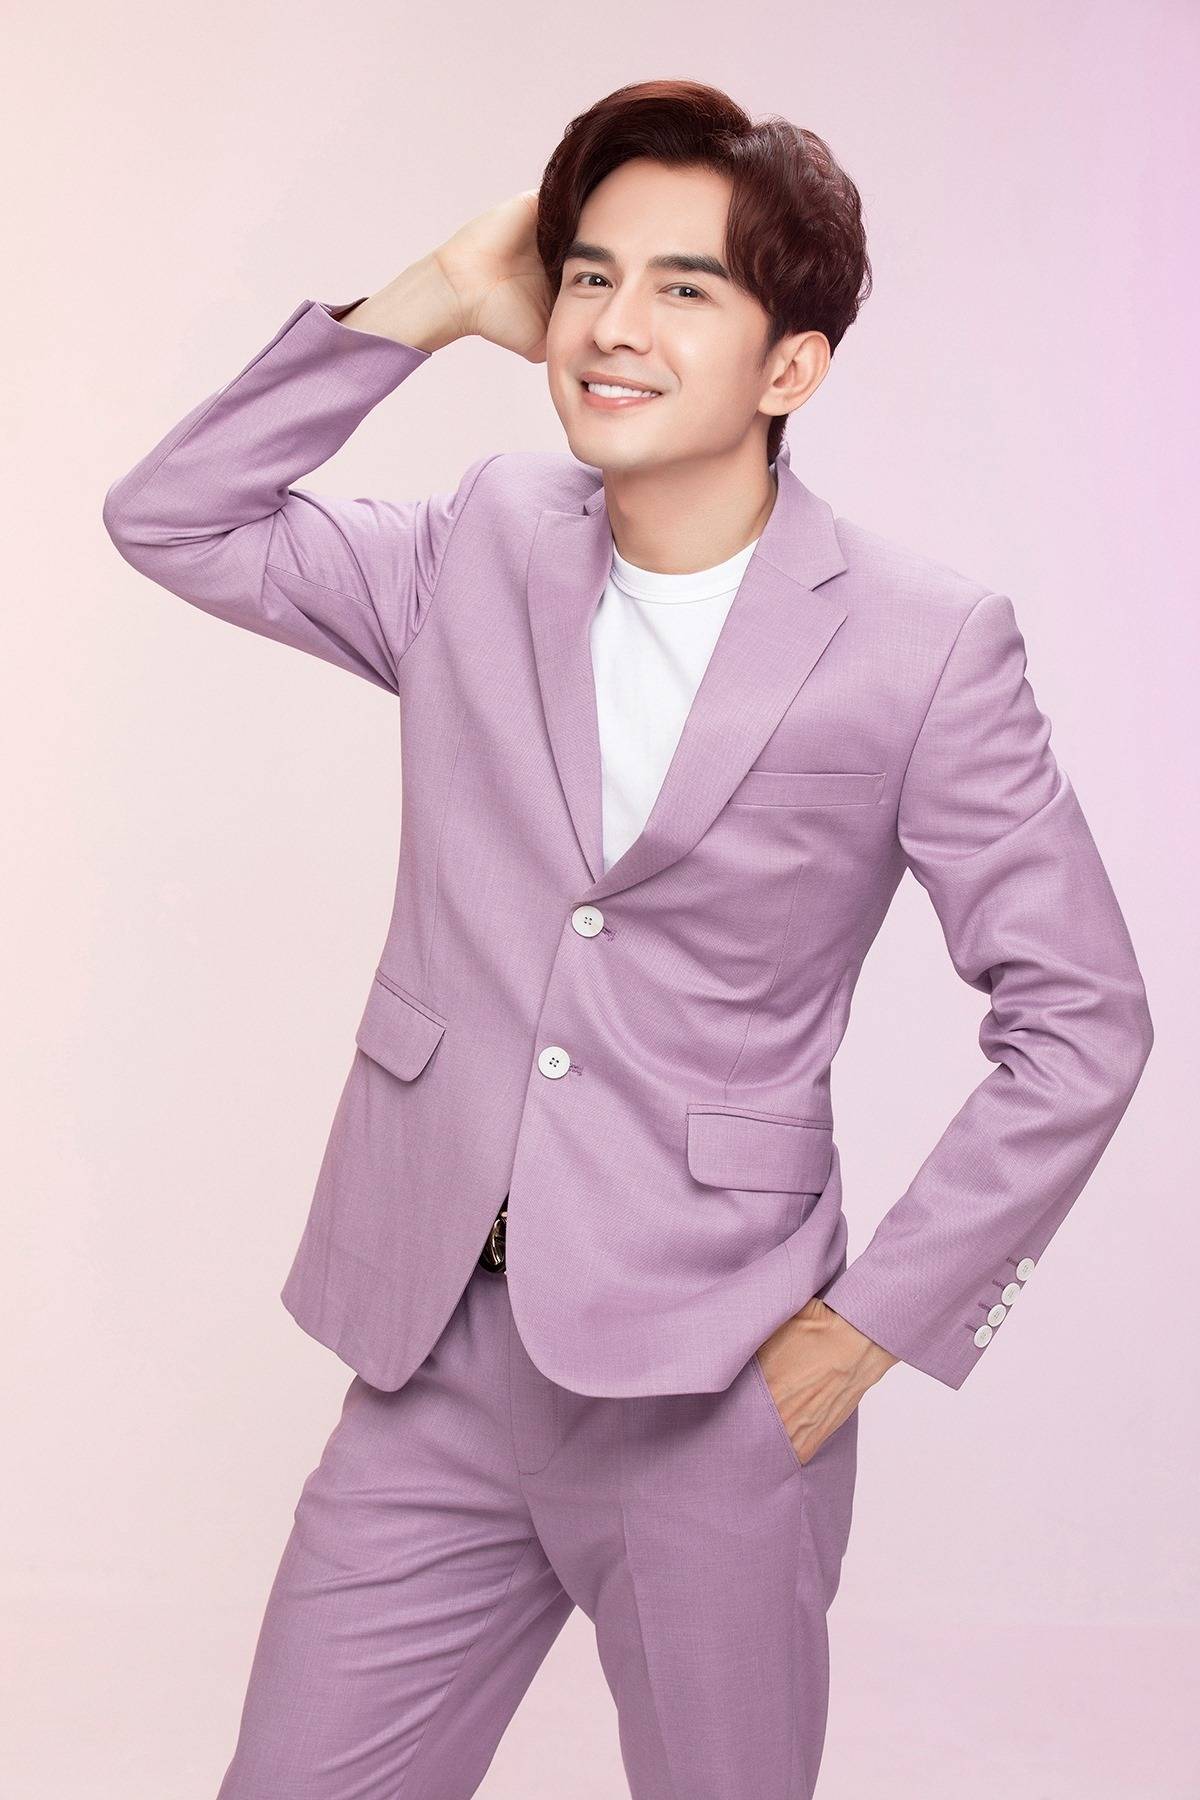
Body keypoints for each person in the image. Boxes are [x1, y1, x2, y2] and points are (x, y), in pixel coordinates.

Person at [102, 79, 1153, 1800]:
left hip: (713, 1385)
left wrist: (860, 1337)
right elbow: (177, 516)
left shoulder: (924, 646)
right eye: (591, 275)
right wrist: (438, 295)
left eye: (684, 289)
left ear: (792, 365)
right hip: (434, 1357)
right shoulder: (480, 545)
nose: (612, 324)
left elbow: (1084, 1020)